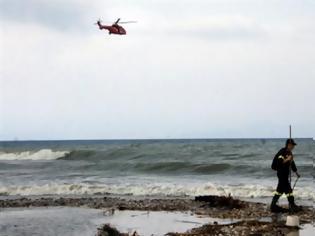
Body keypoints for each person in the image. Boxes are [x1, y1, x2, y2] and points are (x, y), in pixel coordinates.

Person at [270, 138, 301, 212]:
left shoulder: (289, 153)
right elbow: (279, 163)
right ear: (289, 145)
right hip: (281, 174)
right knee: (288, 190)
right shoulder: (282, 152)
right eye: (292, 145)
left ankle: (273, 205)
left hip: (285, 174)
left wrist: (296, 173)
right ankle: (292, 205)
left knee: (279, 190)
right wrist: (287, 159)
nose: (293, 147)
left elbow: (292, 164)